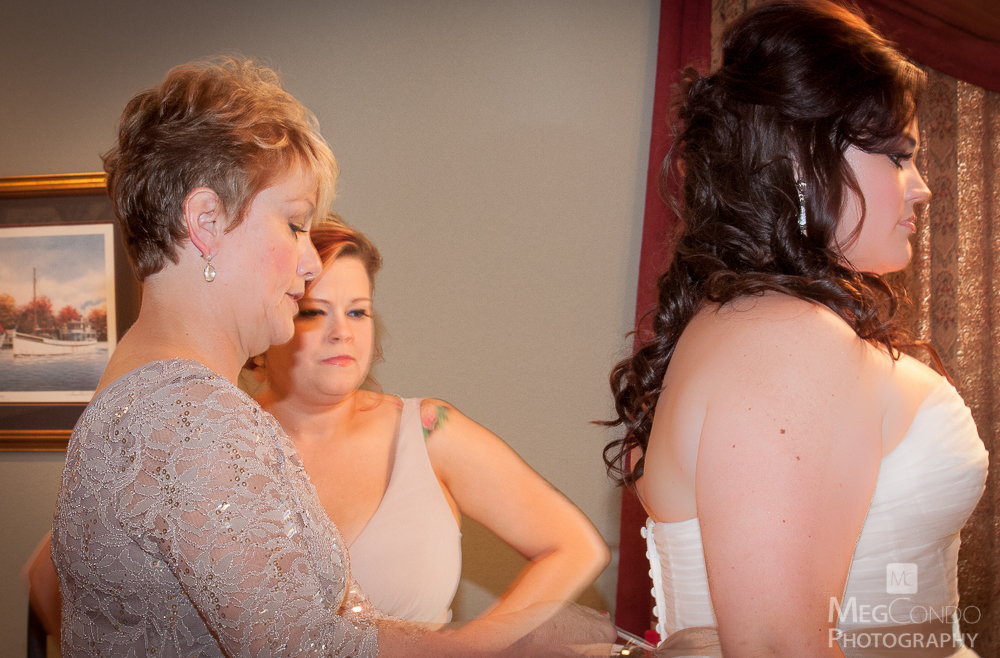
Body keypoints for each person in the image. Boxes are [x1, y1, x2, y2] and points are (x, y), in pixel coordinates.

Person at [47, 57, 615, 657]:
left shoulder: (140, 394)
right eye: (295, 224)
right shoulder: (193, 418)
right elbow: (308, 649)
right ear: (206, 221)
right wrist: (502, 650)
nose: (310, 260)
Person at [602, 2, 987, 656]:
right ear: (801, 164)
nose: (921, 188)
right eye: (898, 157)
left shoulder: (763, 322)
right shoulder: (787, 340)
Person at [248, 217, 609, 624]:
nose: (342, 332)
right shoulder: (217, 440)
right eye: (314, 312)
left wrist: (471, 647)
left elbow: (576, 547)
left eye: (358, 312)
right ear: (264, 319)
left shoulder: (428, 431)